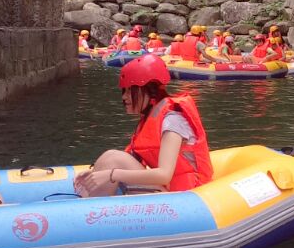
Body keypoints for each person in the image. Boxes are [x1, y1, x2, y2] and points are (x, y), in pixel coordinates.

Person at [74, 55, 213, 197]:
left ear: (150, 91)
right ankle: (87, 206)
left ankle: (89, 212)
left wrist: (111, 174)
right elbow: (134, 159)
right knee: (110, 158)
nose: (124, 97)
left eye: (130, 90)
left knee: (113, 158)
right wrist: (96, 172)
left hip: (188, 195)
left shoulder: (172, 120)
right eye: (124, 91)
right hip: (170, 190)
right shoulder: (150, 117)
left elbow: (164, 175)